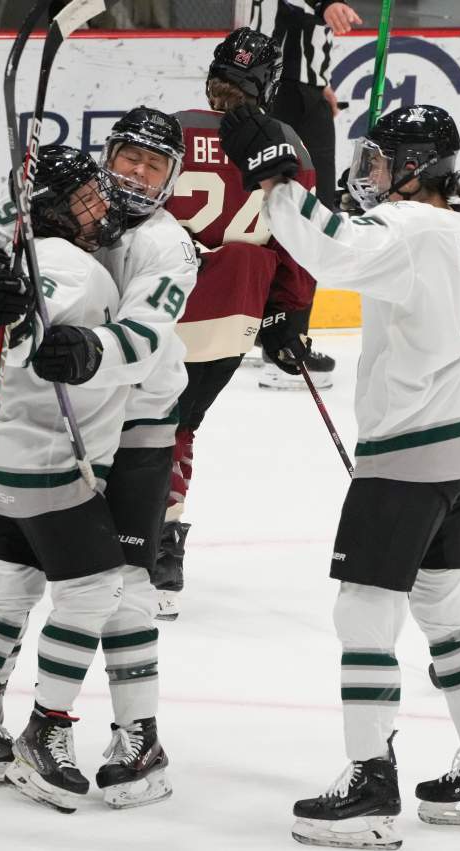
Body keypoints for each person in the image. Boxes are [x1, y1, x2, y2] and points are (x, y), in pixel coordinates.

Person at [218, 103, 460, 847]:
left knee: (364, 613)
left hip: (413, 452)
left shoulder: (412, 227)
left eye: (383, 162)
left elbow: (335, 251)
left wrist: (279, 179)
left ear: (416, 167)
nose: (371, 176)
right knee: (447, 606)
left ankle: (369, 784)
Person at [0, 112, 196, 808]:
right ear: (106, 157)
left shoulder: (167, 243)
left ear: (172, 179)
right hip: (62, 428)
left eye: (153, 166)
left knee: (123, 583)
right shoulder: (72, 191)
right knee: (30, 572)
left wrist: (89, 350)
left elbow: (147, 339)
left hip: (134, 430)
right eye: (127, 157)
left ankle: (137, 734)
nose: (133, 175)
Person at [157, 27, 319, 618]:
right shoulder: (292, 150)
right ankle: (163, 545)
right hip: (232, 317)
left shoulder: (169, 129)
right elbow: (301, 245)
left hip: (155, 311)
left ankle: (117, 534)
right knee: (181, 425)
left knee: (134, 423)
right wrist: (287, 317)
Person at [256, 0, 362, 391]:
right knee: (309, 213)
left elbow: (296, 27)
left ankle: (266, 329)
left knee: (284, 206)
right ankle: (286, 348)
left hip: (292, 87)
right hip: (287, 91)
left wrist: (319, 79)